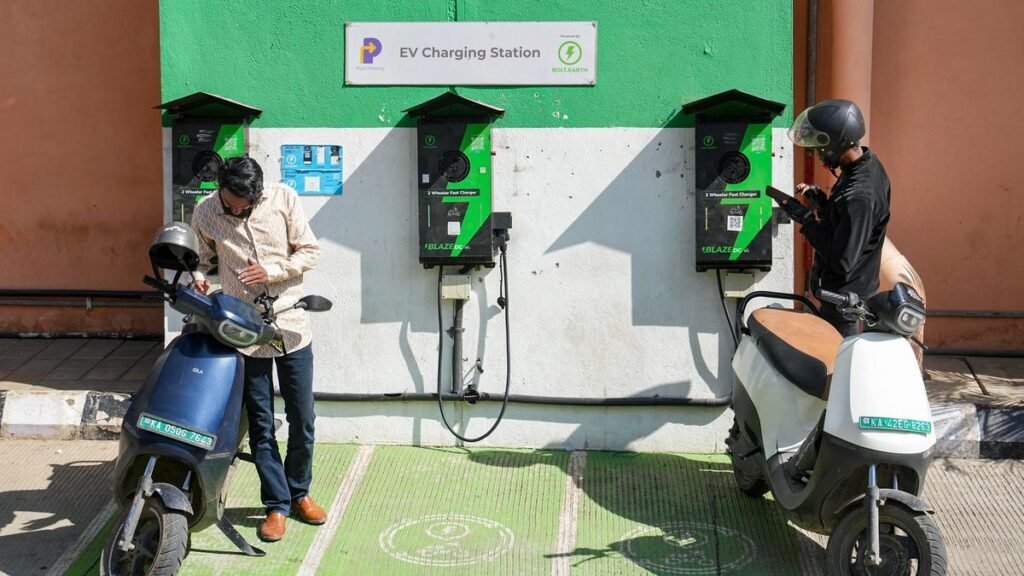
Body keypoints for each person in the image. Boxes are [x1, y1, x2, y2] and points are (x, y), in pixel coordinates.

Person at [190, 155, 324, 543]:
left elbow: (310, 251)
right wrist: (198, 276)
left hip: (290, 325)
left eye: (244, 206)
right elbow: (200, 258)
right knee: (261, 424)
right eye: (230, 205)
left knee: (303, 417)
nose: (236, 211)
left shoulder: (283, 198)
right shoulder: (205, 211)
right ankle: (276, 504)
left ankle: (300, 493)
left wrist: (273, 271)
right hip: (244, 332)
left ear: (258, 194)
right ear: (220, 188)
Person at [787, 99, 891, 336]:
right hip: (842, 299)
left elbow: (842, 261)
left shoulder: (860, 195)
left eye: (820, 146)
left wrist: (807, 221)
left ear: (835, 143)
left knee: (838, 359)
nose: (817, 153)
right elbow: (847, 224)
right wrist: (822, 204)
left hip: (846, 307)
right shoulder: (864, 165)